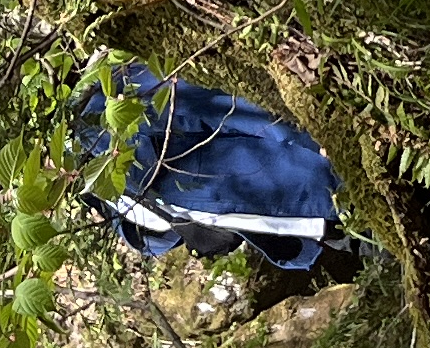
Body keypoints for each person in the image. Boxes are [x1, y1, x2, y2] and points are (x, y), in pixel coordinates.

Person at [68, 64, 344, 269]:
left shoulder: (104, 113)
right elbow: (156, 239)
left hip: (322, 167)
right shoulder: (97, 183)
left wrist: (312, 135)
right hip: (316, 220)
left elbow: (221, 103)